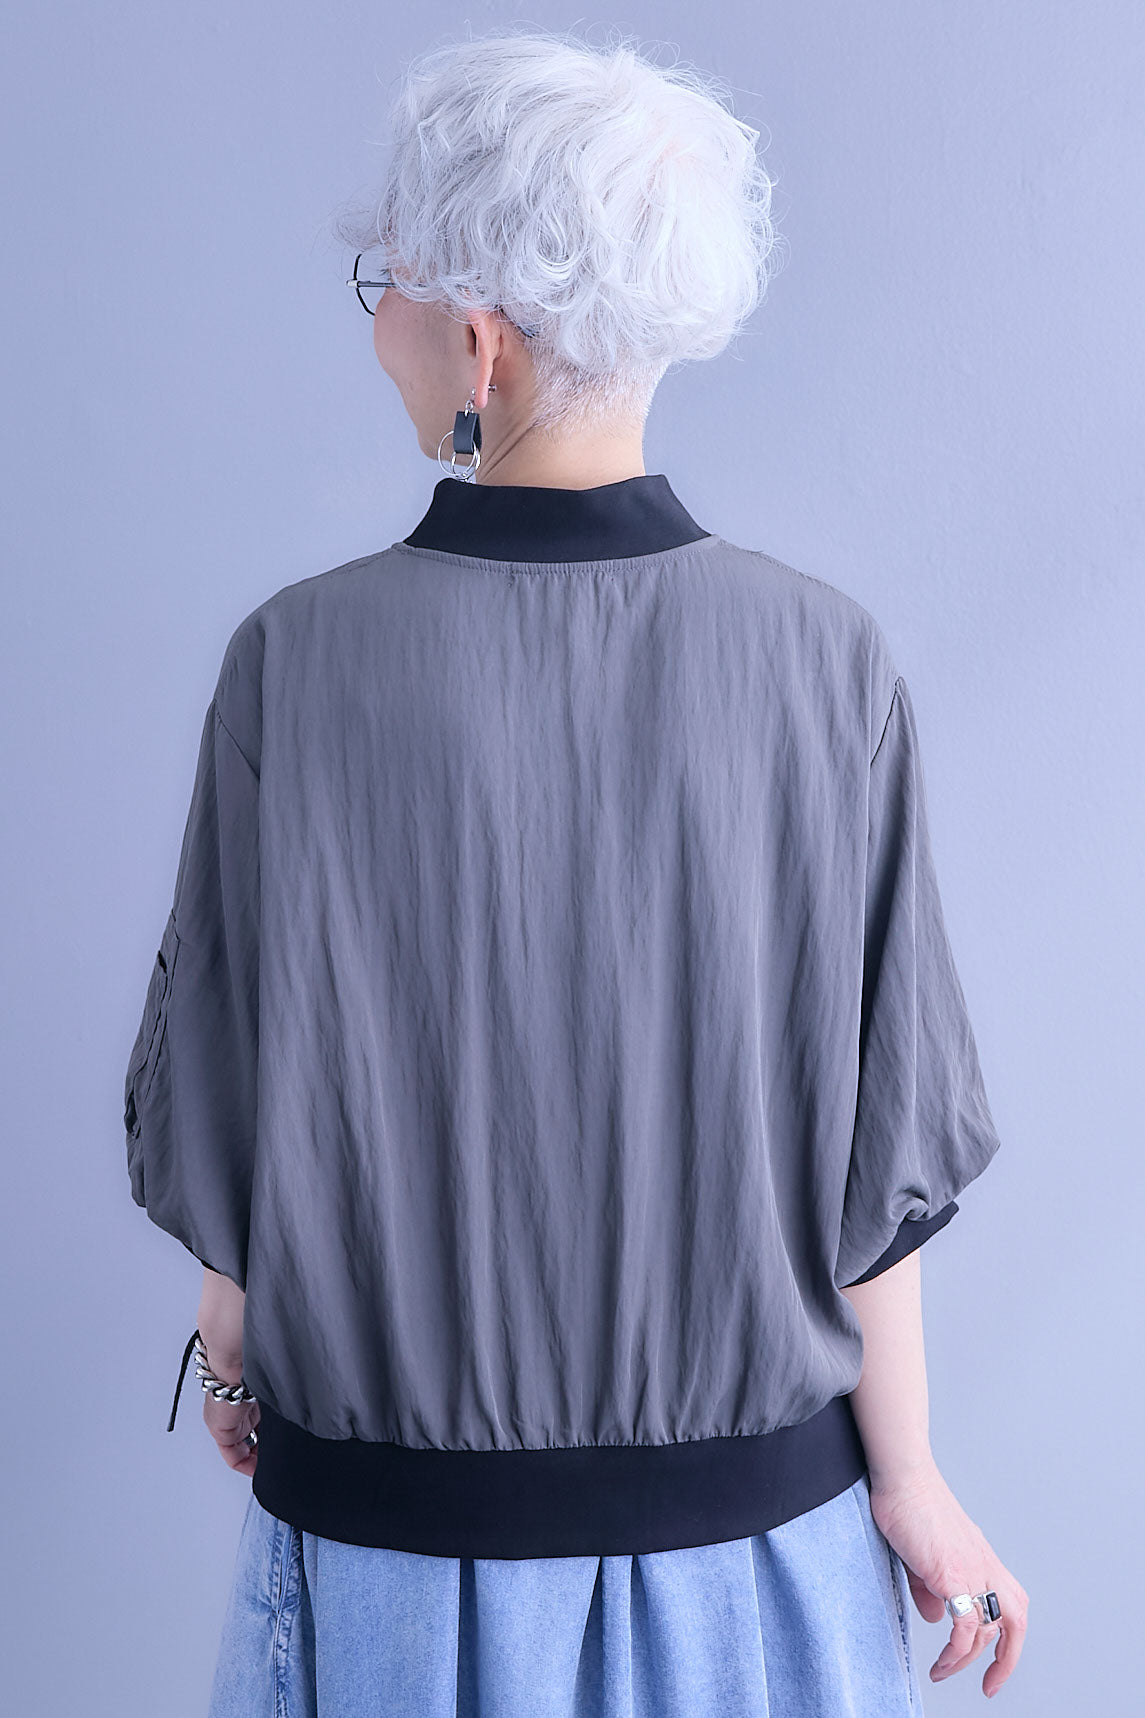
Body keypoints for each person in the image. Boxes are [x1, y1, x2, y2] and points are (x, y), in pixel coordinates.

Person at [123, 25, 1028, 1716]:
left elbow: (233, 1107)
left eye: (385, 283)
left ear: (479, 333)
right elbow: (879, 1150)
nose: (376, 326)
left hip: (397, 1574)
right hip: (758, 1577)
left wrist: (233, 1352)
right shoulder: (825, 663)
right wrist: (907, 1476)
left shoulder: (293, 664)